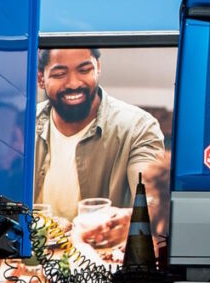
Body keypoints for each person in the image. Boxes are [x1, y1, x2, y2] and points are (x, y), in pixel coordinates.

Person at [35, 47, 166, 250]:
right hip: (29, 265)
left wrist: (132, 218)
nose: (74, 83)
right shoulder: (22, 124)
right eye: (60, 74)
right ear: (41, 79)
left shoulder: (137, 127)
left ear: (98, 68)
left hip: (102, 265)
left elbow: (151, 194)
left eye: (84, 70)